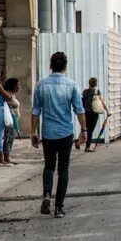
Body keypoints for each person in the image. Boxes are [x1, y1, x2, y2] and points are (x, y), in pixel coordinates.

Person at [31, 52, 87, 218]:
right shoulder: (72, 85)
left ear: (50, 66)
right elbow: (79, 110)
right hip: (65, 133)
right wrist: (84, 130)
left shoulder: (41, 85)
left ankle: (47, 195)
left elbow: (36, 110)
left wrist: (33, 132)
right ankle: (59, 207)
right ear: (65, 67)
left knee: (49, 165)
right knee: (63, 169)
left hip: (48, 133)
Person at [82, 77, 109, 152]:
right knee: (90, 130)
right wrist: (106, 110)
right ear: (96, 84)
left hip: (85, 112)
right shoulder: (97, 91)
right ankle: (87, 147)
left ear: (89, 83)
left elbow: (82, 102)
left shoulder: (84, 91)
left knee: (85, 128)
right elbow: (101, 101)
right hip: (93, 113)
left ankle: (79, 142)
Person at [2, 78, 21, 165]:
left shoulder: (11, 95)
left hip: (12, 121)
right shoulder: (7, 94)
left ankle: (7, 157)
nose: (19, 87)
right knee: (8, 139)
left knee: (10, 139)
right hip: (9, 121)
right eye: (17, 86)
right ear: (12, 86)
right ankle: (6, 158)